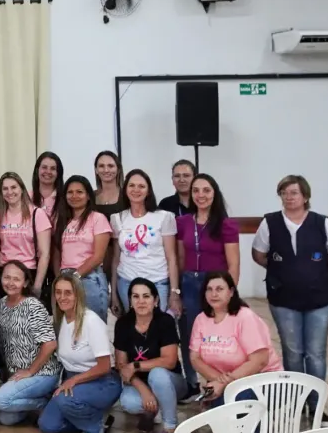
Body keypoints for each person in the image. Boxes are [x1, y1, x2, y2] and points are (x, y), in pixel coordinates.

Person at [251, 174, 328, 411]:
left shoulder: (322, 222)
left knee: (315, 354)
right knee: (292, 353)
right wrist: (284, 272)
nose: (289, 197)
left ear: (305, 196)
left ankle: (316, 405)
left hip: (319, 300)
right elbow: (259, 255)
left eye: (294, 192)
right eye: (284, 192)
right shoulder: (269, 222)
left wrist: (313, 273)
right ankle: (296, 403)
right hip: (283, 300)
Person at [175, 173, 239, 395]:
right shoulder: (182, 222)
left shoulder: (226, 225)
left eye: (206, 190)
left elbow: (233, 264)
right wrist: (177, 290)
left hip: (215, 285)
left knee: (217, 335)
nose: (200, 195)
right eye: (196, 191)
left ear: (215, 194)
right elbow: (180, 259)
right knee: (190, 337)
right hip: (190, 284)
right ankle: (192, 384)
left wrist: (229, 294)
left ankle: (218, 382)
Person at [39, 271, 120, 433]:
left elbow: (104, 366)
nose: (62, 297)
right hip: (73, 379)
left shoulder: (91, 321)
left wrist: (74, 381)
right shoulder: (60, 320)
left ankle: (97, 426)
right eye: (58, 292)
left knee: (64, 400)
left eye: (68, 292)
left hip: (103, 381)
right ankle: (86, 416)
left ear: (78, 294)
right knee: (47, 425)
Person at [189, 272, 282, 405]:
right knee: (220, 408)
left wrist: (226, 382)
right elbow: (195, 358)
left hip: (263, 379)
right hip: (229, 382)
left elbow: (259, 361)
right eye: (209, 289)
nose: (214, 294)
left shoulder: (245, 317)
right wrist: (221, 381)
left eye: (220, 289)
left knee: (231, 404)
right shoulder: (201, 319)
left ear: (231, 292)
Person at [114, 278, 184, 433]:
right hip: (140, 383)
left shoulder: (165, 321)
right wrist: (144, 390)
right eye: (135, 296)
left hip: (171, 381)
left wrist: (136, 366)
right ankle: (153, 409)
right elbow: (121, 366)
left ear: (156, 300)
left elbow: (169, 361)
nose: (141, 301)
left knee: (157, 374)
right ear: (129, 301)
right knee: (128, 402)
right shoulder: (123, 324)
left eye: (146, 296)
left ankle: (170, 427)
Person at [0, 260, 60, 427]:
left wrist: (30, 370)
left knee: (0, 400)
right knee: (6, 418)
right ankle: (37, 402)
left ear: (26, 282)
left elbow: (50, 344)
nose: (10, 283)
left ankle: (44, 404)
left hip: (42, 372)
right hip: (17, 373)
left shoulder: (32, 305)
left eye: (16, 279)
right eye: (6, 278)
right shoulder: (2, 304)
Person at [109, 169, 179, 316]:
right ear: (125, 190)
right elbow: (115, 259)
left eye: (141, 186)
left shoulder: (164, 217)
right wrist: (113, 294)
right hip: (126, 282)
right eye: (131, 185)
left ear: (148, 191)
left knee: (158, 328)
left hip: (158, 282)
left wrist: (174, 291)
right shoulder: (117, 218)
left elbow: (171, 257)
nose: (136, 190)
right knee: (133, 329)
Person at [57, 176, 112, 319]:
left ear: (88, 196)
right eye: (70, 192)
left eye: (79, 192)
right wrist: (62, 277)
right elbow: (58, 251)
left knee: (93, 328)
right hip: (66, 279)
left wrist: (75, 276)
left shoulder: (98, 218)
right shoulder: (63, 220)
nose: (74, 196)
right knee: (68, 329)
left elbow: (98, 256)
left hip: (89, 278)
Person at [0, 171, 52, 300]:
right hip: (4, 275)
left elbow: (45, 254)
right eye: (5, 189)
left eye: (13, 187)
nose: (10, 192)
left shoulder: (37, 214)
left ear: (22, 189)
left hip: (27, 274)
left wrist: (37, 285)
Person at [30, 152, 64, 231]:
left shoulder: (65, 198)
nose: (48, 172)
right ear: (37, 170)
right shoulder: (26, 198)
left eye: (53, 168)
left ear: (58, 173)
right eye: (44, 167)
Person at [92, 151, 126, 219]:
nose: (106, 170)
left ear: (118, 169)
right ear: (96, 170)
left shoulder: (127, 196)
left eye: (110, 166)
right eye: (101, 166)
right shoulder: (90, 197)